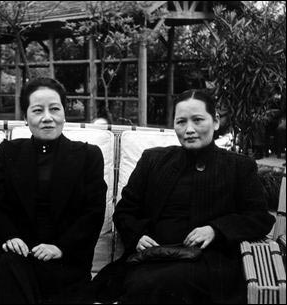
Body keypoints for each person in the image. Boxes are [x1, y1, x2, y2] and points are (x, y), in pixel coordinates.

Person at [91, 89, 275, 304]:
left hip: (211, 263)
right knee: (136, 282)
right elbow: (125, 211)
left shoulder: (239, 166)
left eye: (198, 120)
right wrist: (137, 235)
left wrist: (216, 229)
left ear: (215, 122)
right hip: (155, 256)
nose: (189, 130)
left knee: (157, 283)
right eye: (181, 122)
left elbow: (259, 218)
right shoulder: (154, 160)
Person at [0, 77, 107, 303]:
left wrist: (60, 248)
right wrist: (9, 236)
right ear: (25, 117)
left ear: (64, 113)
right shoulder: (9, 151)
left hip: (65, 259)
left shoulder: (88, 155)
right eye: (37, 110)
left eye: (54, 109)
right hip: (20, 255)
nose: (47, 118)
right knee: (8, 268)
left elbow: (93, 213)